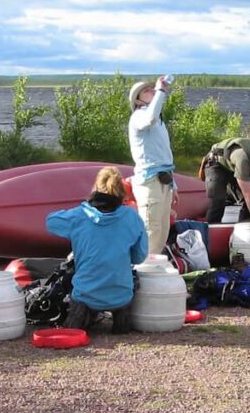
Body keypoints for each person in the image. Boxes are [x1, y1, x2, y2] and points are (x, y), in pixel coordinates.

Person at [45, 166, 148, 334]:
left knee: (76, 288)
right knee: (128, 281)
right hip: (121, 295)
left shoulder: (79, 215)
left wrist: (79, 212)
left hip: (86, 295)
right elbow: (139, 257)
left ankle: (83, 319)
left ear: (96, 188)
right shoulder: (132, 217)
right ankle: (120, 324)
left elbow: (50, 222)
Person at [128, 76, 178, 256]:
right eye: (146, 91)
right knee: (151, 228)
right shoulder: (140, 116)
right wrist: (161, 91)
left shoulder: (157, 121)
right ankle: (143, 270)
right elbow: (150, 118)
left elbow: (163, 155)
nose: (152, 91)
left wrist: (174, 184)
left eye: (152, 89)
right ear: (138, 99)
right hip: (149, 180)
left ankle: (153, 269)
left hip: (164, 179)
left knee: (162, 230)